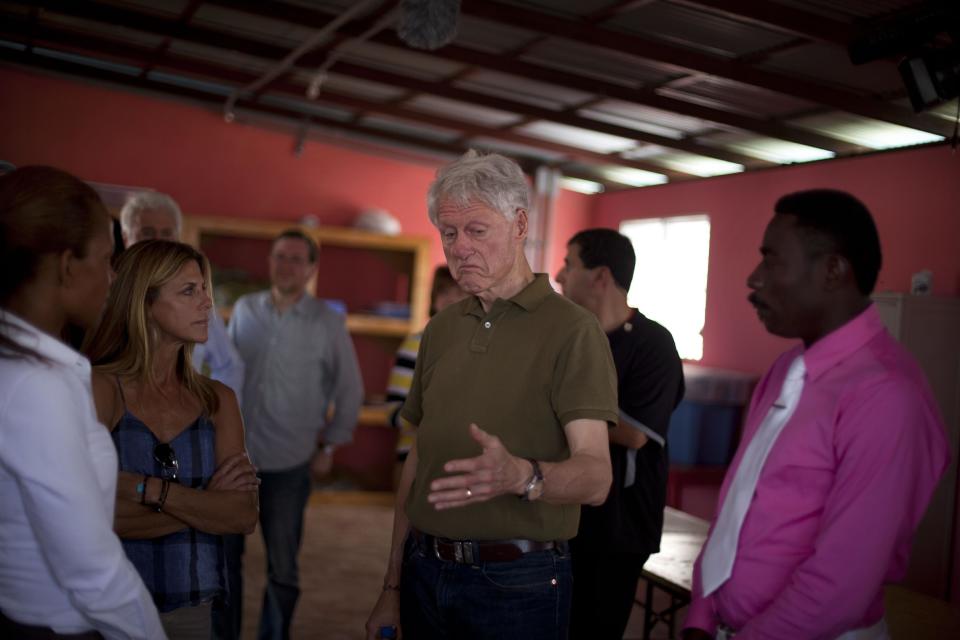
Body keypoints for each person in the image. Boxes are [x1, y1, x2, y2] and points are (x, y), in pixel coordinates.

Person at [365, 150, 619, 640]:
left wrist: (523, 476)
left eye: (477, 231)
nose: (459, 248)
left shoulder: (573, 331)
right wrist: (392, 585)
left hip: (517, 582)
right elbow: (417, 463)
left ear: (520, 223)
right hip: (424, 570)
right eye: (449, 233)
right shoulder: (439, 329)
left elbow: (597, 477)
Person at [682, 190, 949, 640]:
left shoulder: (884, 394)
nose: (754, 278)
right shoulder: (788, 369)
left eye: (772, 260)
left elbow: (841, 581)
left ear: (832, 270)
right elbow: (737, 506)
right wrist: (701, 616)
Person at [0, 166, 165, 639]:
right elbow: (92, 571)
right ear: (68, 265)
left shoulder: (31, 364)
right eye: (107, 259)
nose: (114, 278)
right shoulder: (35, 386)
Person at [83, 240, 259, 639]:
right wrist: (204, 506)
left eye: (204, 289)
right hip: (110, 605)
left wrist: (147, 489)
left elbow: (242, 515)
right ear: (144, 303)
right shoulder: (102, 388)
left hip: (191, 604)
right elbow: (92, 520)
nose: (207, 303)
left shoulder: (218, 400)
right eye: (188, 291)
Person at [229, 229, 364, 640]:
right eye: (279, 256)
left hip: (290, 462)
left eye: (294, 259)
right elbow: (223, 376)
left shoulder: (327, 321)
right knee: (224, 561)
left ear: (310, 268)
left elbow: (350, 389)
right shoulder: (244, 309)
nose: (285, 265)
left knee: (282, 567)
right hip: (235, 458)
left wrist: (331, 445)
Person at [556, 228, 685, 640]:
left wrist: (558, 406)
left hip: (618, 526)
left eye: (569, 263)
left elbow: (635, 434)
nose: (559, 274)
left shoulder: (654, 344)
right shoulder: (572, 337)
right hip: (564, 511)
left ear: (600, 276)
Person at [120, 191, 245, 399]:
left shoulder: (200, 305)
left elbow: (230, 366)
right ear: (126, 238)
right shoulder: (103, 296)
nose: (159, 242)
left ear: (177, 237)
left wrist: (217, 417)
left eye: (167, 233)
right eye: (148, 233)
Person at [385, 265, 468, 459]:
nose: (451, 299)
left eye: (460, 292)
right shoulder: (415, 344)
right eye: (443, 292)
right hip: (415, 457)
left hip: (462, 462)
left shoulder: (482, 346)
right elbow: (392, 412)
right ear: (433, 299)